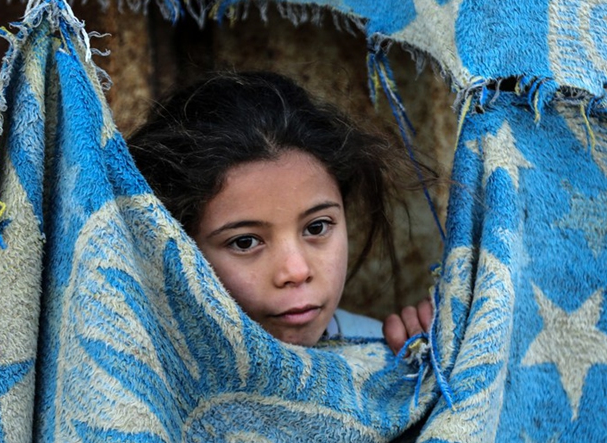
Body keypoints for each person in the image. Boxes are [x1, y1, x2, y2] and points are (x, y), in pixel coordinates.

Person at [127, 71, 432, 353]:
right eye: (245, 242)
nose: (297, 271)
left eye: (317, 227)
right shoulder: (138, 382)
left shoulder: (386, 354)